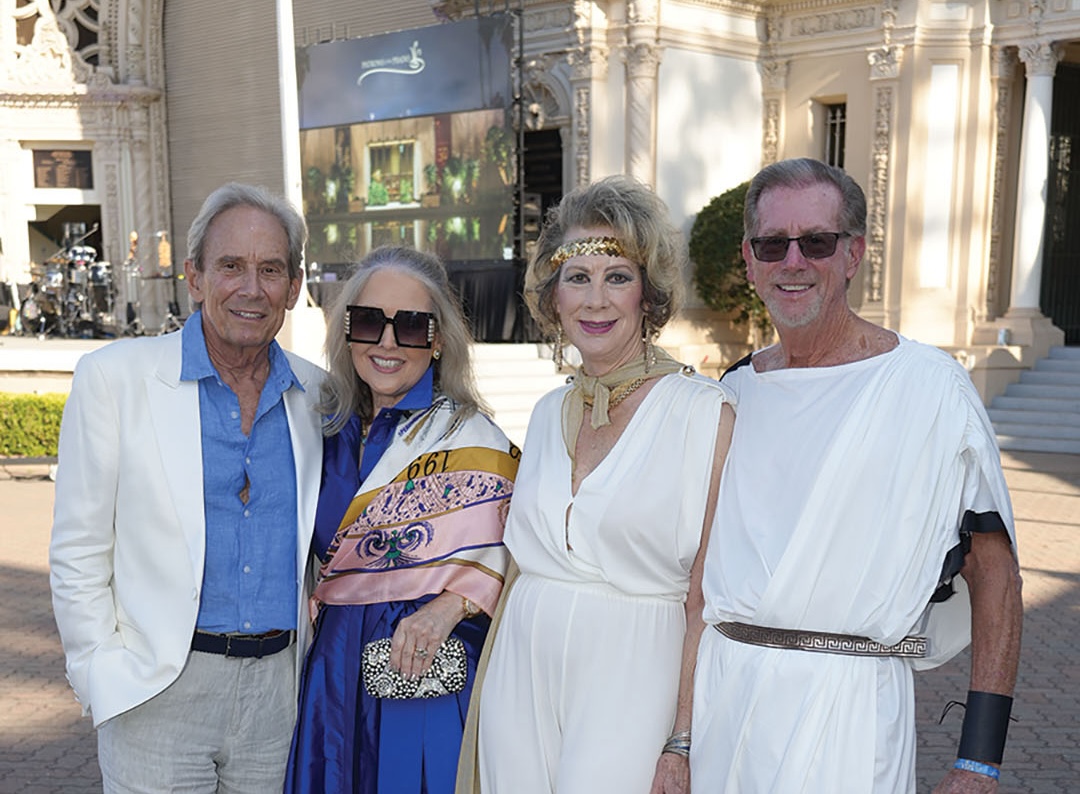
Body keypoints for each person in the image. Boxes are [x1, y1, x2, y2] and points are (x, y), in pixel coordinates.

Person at [692, 157, 1023, 793]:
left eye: (816, 242)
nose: (793, 262)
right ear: (749, 258)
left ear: (853, 254)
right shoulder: (733, 393)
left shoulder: (930, 390)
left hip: (851, 710)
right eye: (772, 244)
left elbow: (994, 570)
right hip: (723, 703)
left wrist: (979, 758)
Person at [48, 183, 325, 792]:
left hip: (281, 698)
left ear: (295, 287)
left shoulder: (319, 398)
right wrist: (100, 672)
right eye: (230, 266)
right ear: (194, 276)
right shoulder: (114, 380)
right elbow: (78, 550)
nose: (250, 288)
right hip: (157, 691)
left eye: (270, 270)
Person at [470, 175, 735, 794]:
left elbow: (710, 596)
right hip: (522, 673)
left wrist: (683, 736)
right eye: (577, 277)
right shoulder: (542, 415)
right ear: (553, 297)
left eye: (617, 275)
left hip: (635, 674)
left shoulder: (703, 414)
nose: (596, 299)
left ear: (648, 294)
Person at [285, 246, 520, 794]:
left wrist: (447, 607)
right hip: (331, 674)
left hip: (422, 673)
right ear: (347, 332)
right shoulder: (320, 430)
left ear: (438, 339)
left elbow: (521, 550)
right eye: (369, 322)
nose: (387, 343)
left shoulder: (470, 438)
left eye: (411, 326)